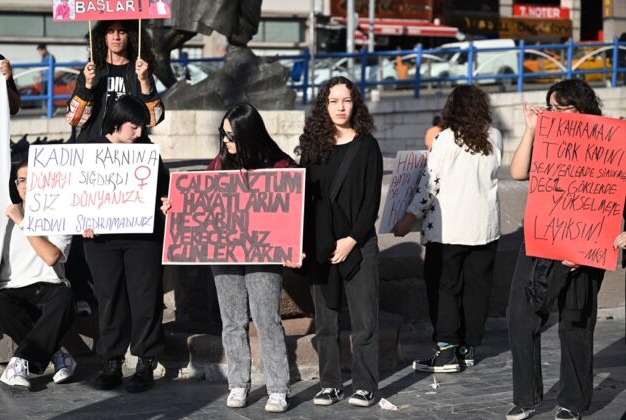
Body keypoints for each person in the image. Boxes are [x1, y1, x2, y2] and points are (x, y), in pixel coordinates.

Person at [161, 103, 295, 412]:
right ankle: (238, 384)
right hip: (224, 254)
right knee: (232, 321)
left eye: (231, 135)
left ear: (249, 134)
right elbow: (199, 199)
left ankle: (277, 387)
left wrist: (292, 244)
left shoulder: (280, 166)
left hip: (263, 254)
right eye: (222, 135)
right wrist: (175, 207)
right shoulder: (220, 163)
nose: (226, 142)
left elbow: (292, 211)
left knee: (267, 320)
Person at [505, 79, 606, 420]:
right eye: (552, 108)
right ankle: (526, 397)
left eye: (565, 107)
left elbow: (610, 198)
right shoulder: (546, 139)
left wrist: (585, 248)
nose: (558, 114)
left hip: (584, 245)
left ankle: (573, 402)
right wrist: (531, 130)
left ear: (583, 108)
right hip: (540, 242)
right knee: (520, 318)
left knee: (574, 324)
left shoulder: (604, 142)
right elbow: (518, 172)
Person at [392, 85, 502, 373]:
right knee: (477, 289)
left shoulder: (447, 138)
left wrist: (408, 217)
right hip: (485, 227)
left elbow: (430, 183)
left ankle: (446, 351)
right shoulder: (494, 136)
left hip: (449, 229)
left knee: (444, 289)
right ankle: (468, 348)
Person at [298, 76, 383, 407]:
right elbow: (302, 198)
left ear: (355, 103)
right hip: (321, 247)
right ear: (324, 105)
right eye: (333, 101)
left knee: (364, 322)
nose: (340, 107)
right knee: (327, 320)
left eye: (346, 100)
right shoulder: (312, 148)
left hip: (358, 245)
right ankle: (330, 383)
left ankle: (365, 384)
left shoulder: (367, 146)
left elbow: (370, 203)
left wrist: (350, 240)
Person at [81, 96, 169, 393]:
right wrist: (81, 220)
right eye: (134, 127)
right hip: (101, 241)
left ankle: (146, 360)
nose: (140, 133)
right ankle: (112, 360)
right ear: (116, 125)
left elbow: (164, 192)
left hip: (143, 239)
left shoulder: (148, 153)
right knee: (110, 298)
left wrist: (166, 205)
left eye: (142, 127)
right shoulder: (90, 150)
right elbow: (73, 195)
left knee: (145, 298)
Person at [0, 159, 76, 390]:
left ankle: (20, 363)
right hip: (15, 289)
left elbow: (51, 257)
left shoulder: (59, 213)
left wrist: (24, 222)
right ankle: (58, 354)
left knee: (65, 300)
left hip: (51, 286)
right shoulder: (2, 218)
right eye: (22, 180)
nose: (27, 185)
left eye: (34, 179)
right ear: (16, 184)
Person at [66, 19, 164, 143]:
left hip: (131, 149)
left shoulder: (141, 72)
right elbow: (75, 119)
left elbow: (153, 120)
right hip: (94, 145)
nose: (116, 37)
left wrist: (144, 81)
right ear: (104, 36)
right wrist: (87, 87)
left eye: (122, 32)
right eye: (110, 31)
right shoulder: (92, 72)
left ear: (130, 36)